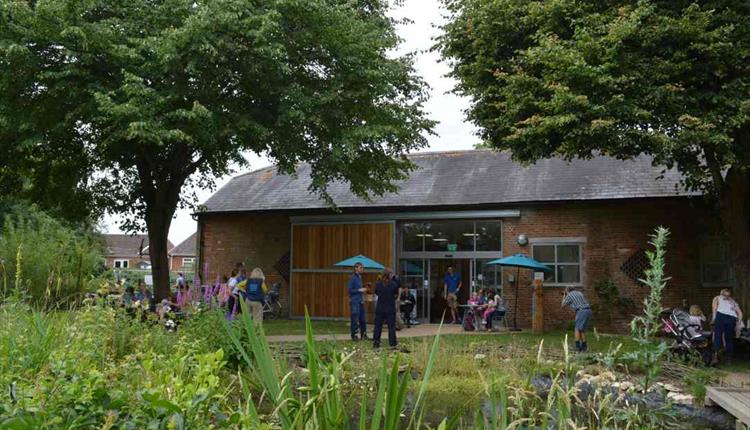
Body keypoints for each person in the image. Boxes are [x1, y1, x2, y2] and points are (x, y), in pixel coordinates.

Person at [711, 288, 743, 365]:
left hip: (721, 316)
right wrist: (738, 323)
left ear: (721, 293)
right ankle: (729, 359)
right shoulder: (733, 301)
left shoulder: (717, 298)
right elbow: (740, 313)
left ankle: (715, 356)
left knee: (717, 335)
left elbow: (714, 308)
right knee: (729, 338)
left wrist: (714, 318)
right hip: (732, 318)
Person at [373, 269, 400, 349]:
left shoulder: (378, 284)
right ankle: (392, 343)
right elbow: (396, 295)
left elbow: (377, 293)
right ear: (389, 275)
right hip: (390, 308)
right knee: (391, 327)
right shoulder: (393, 284)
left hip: (380, 307)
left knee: (378, 326)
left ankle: (376, 342)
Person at [562, 287, 592, 352]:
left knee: (577, 329)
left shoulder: (569, 295)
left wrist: (564, 295)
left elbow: (563, 305)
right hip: (588, 310)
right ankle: (584, 347)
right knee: (582, 329)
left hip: (581, 311)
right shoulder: (579, 293)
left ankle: (577, 347)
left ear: (567, 290)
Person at [347, 262, 368, 341]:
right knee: (355, 318)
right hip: (355, 301)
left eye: (362, 268)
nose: (362, 269)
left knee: (363, 318)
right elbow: (349, 290)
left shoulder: (360, 277)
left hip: (360, 300)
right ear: (356, 268)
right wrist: (359, 290)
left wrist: (363, 290)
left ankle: (364, 334)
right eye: (361, 268)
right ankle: (354, 335)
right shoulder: (352, 278)